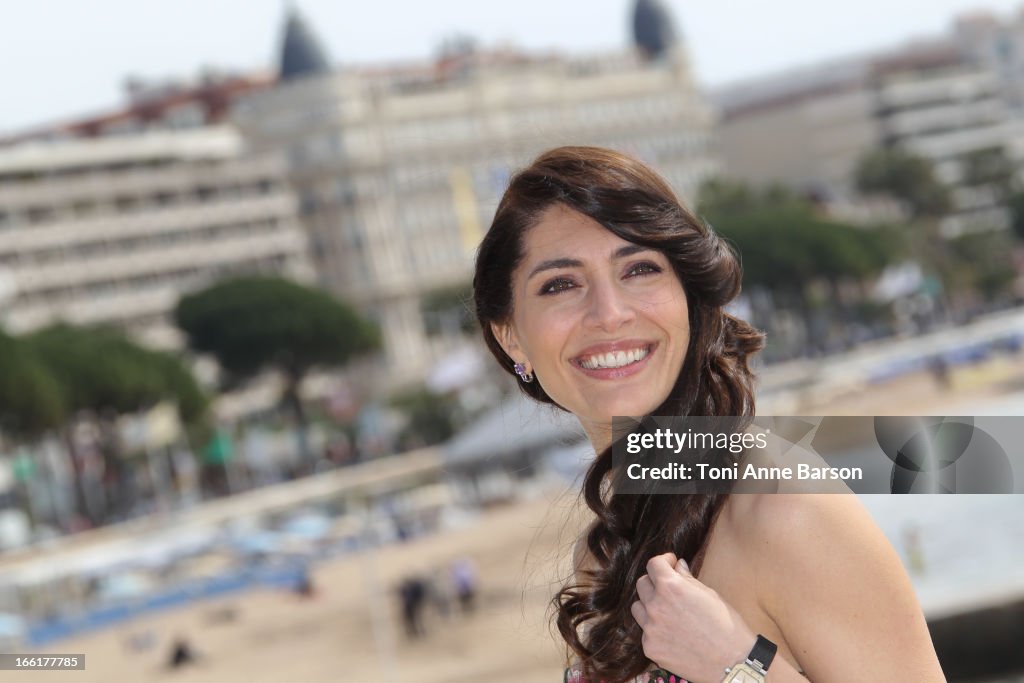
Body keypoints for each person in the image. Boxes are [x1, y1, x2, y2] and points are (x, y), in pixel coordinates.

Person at [473, 146, 946, 683]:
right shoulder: (603, 554)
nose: (609, 313)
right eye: (561, 284)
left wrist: (739, 668)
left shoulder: (784, 508)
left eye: (640, 269)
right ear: (510, 335)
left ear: (688, 299)